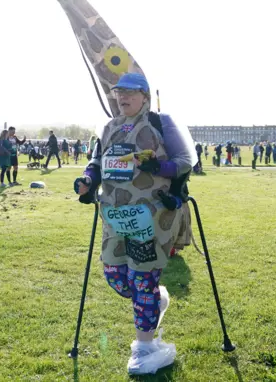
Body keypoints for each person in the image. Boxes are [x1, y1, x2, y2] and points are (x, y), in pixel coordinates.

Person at [74, 73, 195, 374]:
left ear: (144, 95)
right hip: (115, 215)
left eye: (129, 92)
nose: (121, 97)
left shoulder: (160, 122)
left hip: (150, 216)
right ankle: (153, 300)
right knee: (115, 275)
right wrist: (88, 180)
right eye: (117, 92)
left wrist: (158, 166)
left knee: (141, 280)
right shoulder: (109, 126)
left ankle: (144, 348)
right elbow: (97, 160)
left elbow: (185, 161)